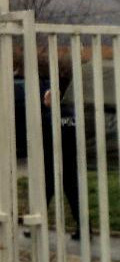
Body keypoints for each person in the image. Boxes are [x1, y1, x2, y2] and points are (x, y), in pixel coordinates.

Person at [40, 88, 82, 239]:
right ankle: (84, 228)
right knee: (73, 197)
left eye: (45, 99)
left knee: (44, 196)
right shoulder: (70, 114)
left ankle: (37, 226)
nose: (44, 101)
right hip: (70, 161)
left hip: (54, 162)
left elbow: (46, 140)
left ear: (51, 99)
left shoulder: (50, 117)